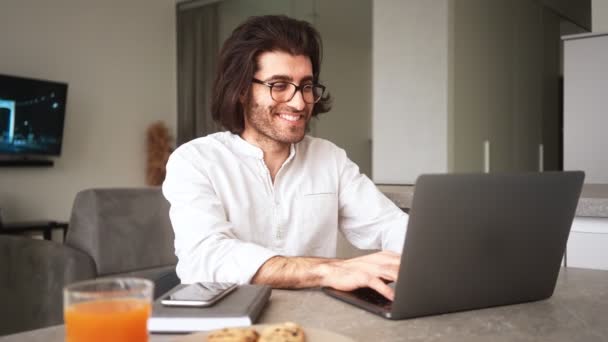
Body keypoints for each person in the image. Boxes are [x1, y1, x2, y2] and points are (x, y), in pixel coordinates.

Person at [163, 15, 408, 300]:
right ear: (241, 89)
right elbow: (207, 258)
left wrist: (424, 255)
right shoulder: (194, 160)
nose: (298, 101)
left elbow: (390, 225)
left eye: (306, 85)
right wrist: (329, 270)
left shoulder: (329, 158)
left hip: (316, 320)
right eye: (279, 85)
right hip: (229, 322)